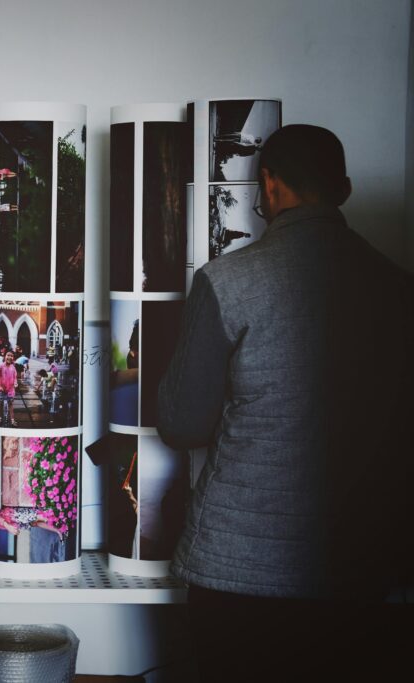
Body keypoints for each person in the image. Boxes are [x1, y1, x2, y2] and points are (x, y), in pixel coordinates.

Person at [156, 125, 413, 681]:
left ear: (268, 186)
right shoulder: (399, 289)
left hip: (237, 569)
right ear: (343, 190)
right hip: (358, 568)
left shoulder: (228, 281)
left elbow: (180, 424)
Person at [0, 351, 18, 427]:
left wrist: (15, 383)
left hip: (10, 390)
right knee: (1, 404)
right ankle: (0, 417)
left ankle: (12, 420)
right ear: (5, 356)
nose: (10, 357)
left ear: (13, 358)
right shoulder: (0, 367)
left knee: (10, 404)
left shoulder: (13, 367)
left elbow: (15, 377)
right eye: (8, 355)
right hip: (1, 389)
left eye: (11, 356)